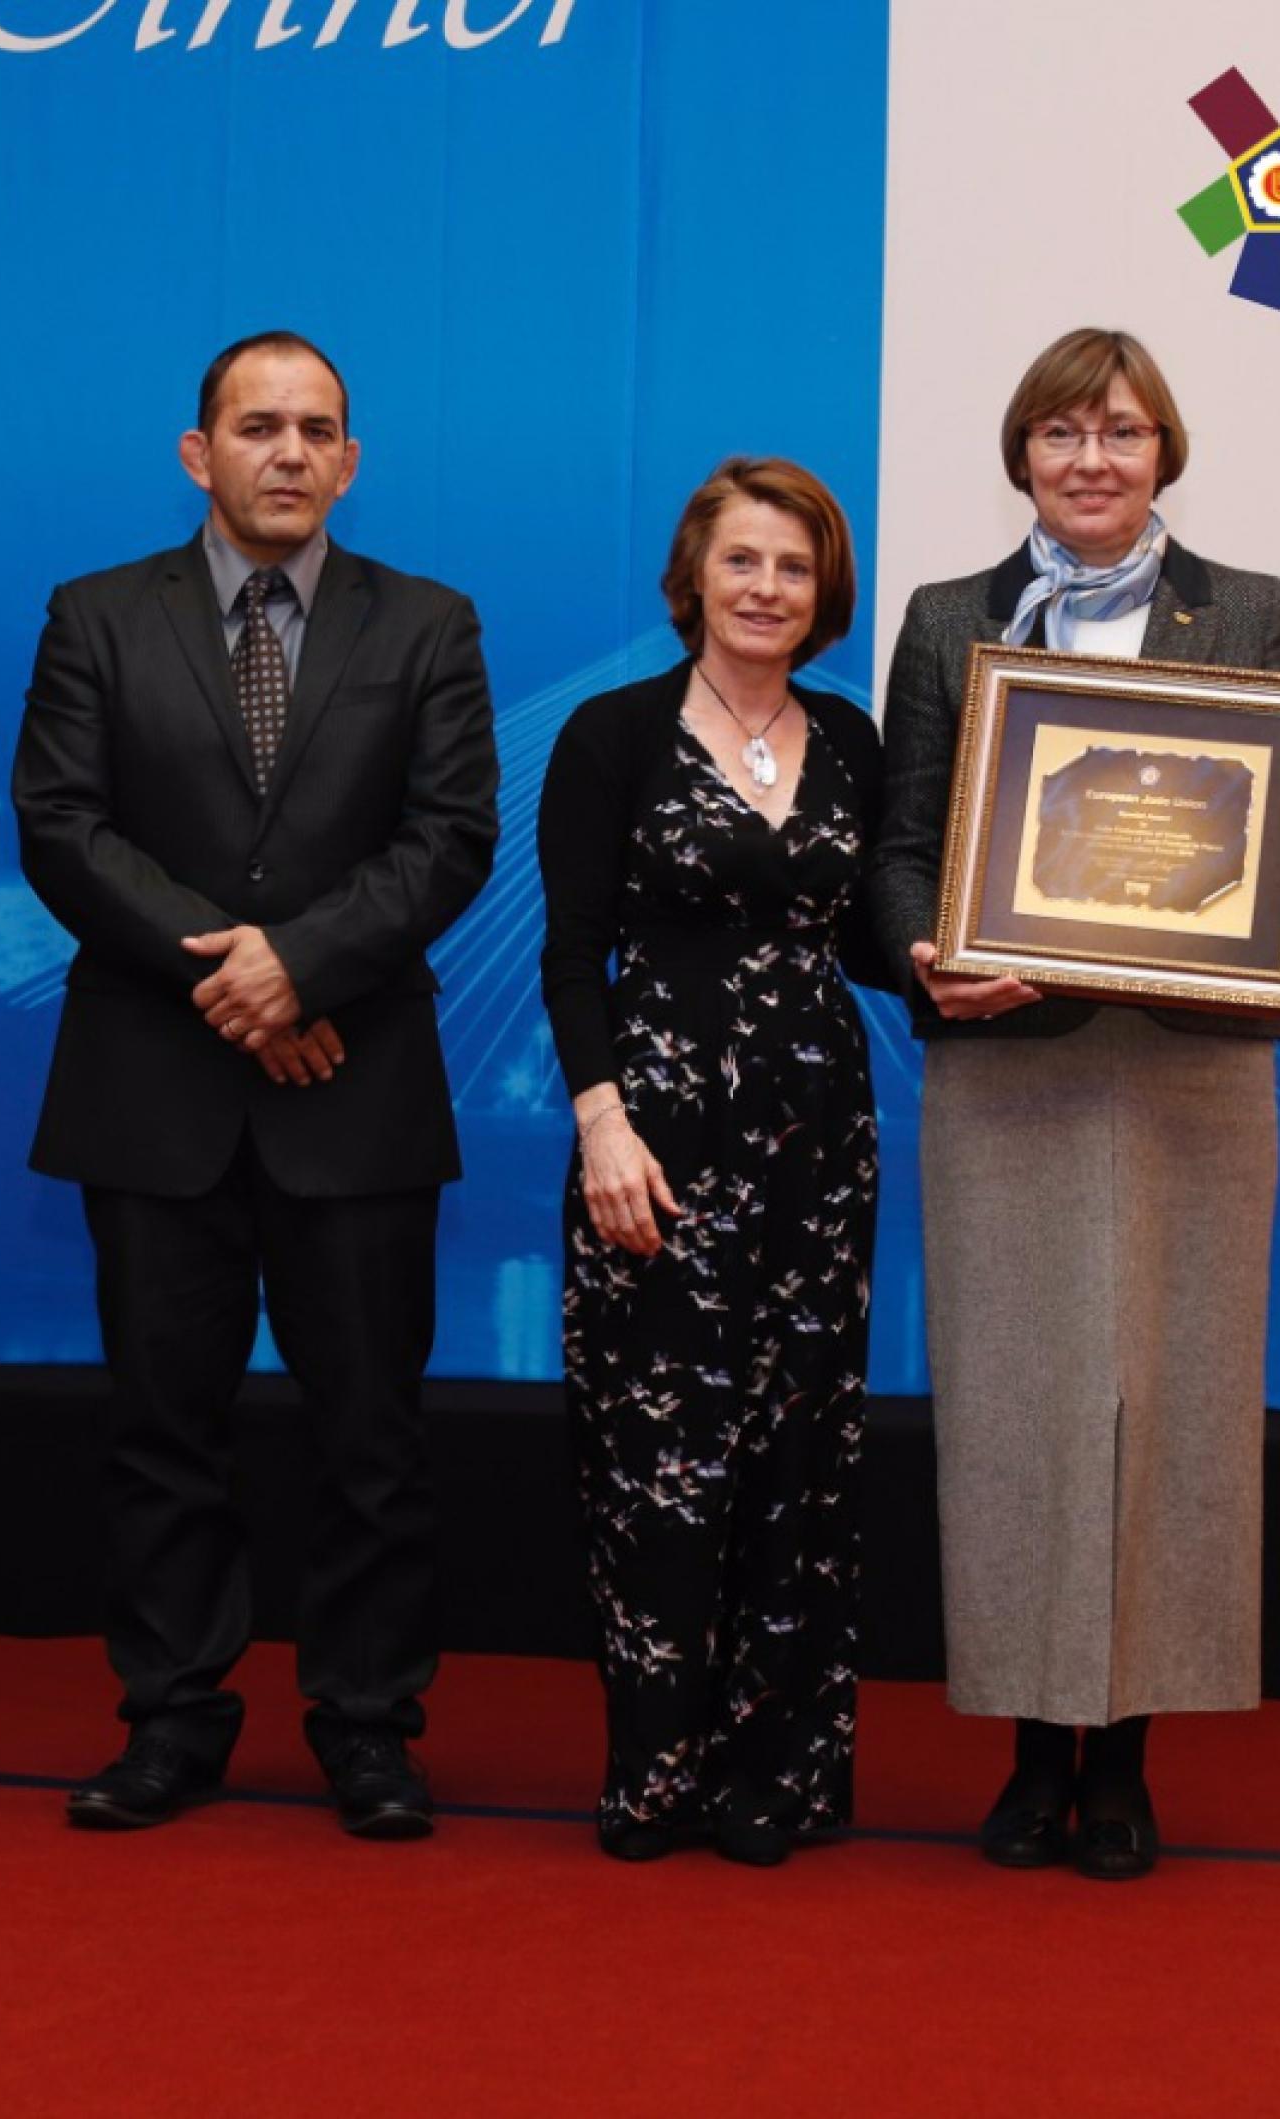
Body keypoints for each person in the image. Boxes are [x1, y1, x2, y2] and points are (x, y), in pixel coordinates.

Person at [869, 327, 1280, 1880]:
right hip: (1008, 1064)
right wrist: (924, 954)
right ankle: (1034, 1752)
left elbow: (1270, 844)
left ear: (1166, 453)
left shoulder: (1250, 610)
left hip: (1190, 1070)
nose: (1092, 460)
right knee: (1016, 1408)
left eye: (1123, 432)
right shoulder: (949, 619)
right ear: (1020, 454)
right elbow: (901, 844)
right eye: (1062, 433)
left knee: (1174, 1407)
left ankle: (1130, 1759)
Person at [13, 331, 499, 1839]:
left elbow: (452, 837)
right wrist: (237, 981)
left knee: (373, 1445)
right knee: (163, 1437)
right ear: (198, 452)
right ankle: (172, 1724)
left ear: (351, 462)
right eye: (257, 426)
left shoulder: (429, 623)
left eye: (317, 430)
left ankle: (368, 1729)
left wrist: (302, 965)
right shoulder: (96, 616)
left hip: (357, 1093)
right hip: (154, 1096)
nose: (289, 452)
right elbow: (61, 827)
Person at [537, 457, 887, 1866]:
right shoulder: (609, 735)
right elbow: (571, 953)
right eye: (742, 560)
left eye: (794, 567)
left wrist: (983, 953)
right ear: (693, 576)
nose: (766, 588)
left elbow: (874, 943)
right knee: (658, 1458)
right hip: (658, 1141)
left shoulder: (853, 739)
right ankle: (657, 1774)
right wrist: (601, 1125)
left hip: (822, 1142)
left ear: (824, 592)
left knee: (802, 1454)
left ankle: (774, 1782)